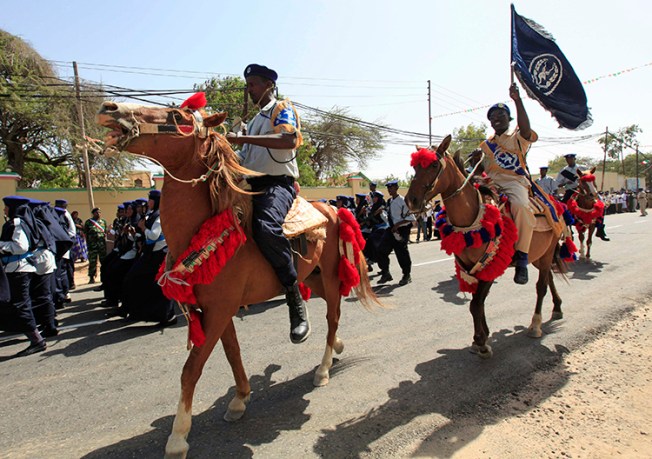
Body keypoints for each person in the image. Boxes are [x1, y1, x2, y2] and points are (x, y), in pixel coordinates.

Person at [226, 63, 309, 344]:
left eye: (254, 85)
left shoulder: (280, 108)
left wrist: (241, 137)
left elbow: (287, 140)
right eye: (248, 85)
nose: (249, 90)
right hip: (250, 186)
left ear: (269, 86)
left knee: (264, 226)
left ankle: (294, 297)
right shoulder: (252, 122)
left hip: (278, 185)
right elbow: (246, 161)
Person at [478, 84, 536, 285]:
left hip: (513, 183)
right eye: (492, 117)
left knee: (520, 206)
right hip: (490, 184)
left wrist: (518, 100)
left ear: (509, 118)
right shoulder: (486, 145)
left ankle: (522, 258)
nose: (496, 118)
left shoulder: (518, 137)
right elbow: (482, 169)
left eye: (500, 115)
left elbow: (527, 129)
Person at [121, 190, 176, 325]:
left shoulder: (159, 215)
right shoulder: (151, 214)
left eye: (151, 200)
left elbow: (153, 236)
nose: (148, 203)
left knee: (159, 285)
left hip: (159, 256)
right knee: (143, 282)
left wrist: (143, 228)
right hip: (151, 255)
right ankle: (142, 313)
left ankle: (167, 316)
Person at [0, 196, 46, 356]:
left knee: (21, 305)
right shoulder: (18, 222)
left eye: (6, 207)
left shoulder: (18, 223)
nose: (4, 210)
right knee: (16, 304)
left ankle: (37, 340)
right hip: (15, 269)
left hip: (19, 269)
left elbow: (21, 246)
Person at [556, 153, 610, 241]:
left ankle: (600, 230)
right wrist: (565, 183)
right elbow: (557, 183)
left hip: (587, 190)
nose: (569, 160)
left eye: (571, 159)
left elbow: (590, 177)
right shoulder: (563, 171)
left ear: (574, 159)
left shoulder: (583, 168)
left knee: (601, 204)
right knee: (562, 207)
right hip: (572, 190)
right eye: (567, 159)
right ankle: (566, 230)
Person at [376, 180, 415, 286]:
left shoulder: (403, 201)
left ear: (397, 188)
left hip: (401, 230)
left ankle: (406, 275)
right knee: (381, 250)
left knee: (401, 253)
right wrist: (381, 214)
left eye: (391, 187)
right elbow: (389, 219)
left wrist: (397, 226)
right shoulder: (389, 202)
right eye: (388, 188)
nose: (389, 190)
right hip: (391, 229)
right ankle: (386, 273)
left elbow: (410, 218)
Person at [83, 207, 108, 283]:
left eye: (99, 212)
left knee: (103, 261)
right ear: (93, 213)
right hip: (92, 246)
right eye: (97, 212)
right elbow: (85, 233)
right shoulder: (88, 222)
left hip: (102, 246)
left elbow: (105, 232)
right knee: (93, 262)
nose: (98, 214)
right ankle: (91, 277)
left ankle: (104, 276)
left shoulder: (103, 222)